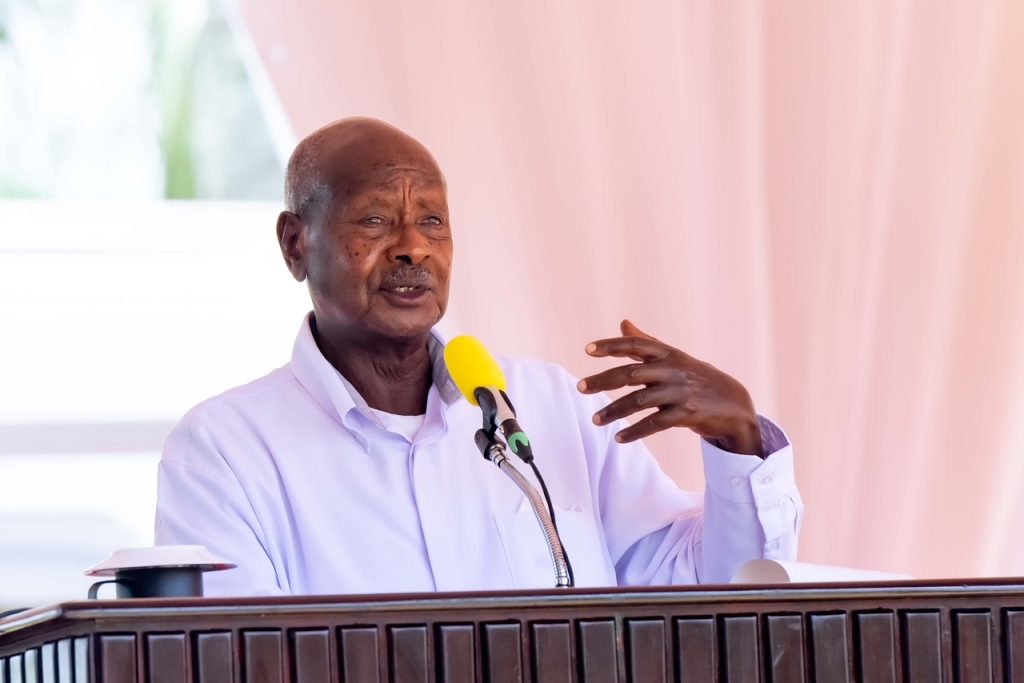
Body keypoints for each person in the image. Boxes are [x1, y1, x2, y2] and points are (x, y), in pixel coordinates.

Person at [155, 117, 802, 596]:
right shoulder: (226, 449)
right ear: (296, 244)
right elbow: (239, 655)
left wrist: (738, 436)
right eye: (376, 221)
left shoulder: (545, 408)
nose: (413, 247)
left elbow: (715, 593)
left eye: (433, 221)